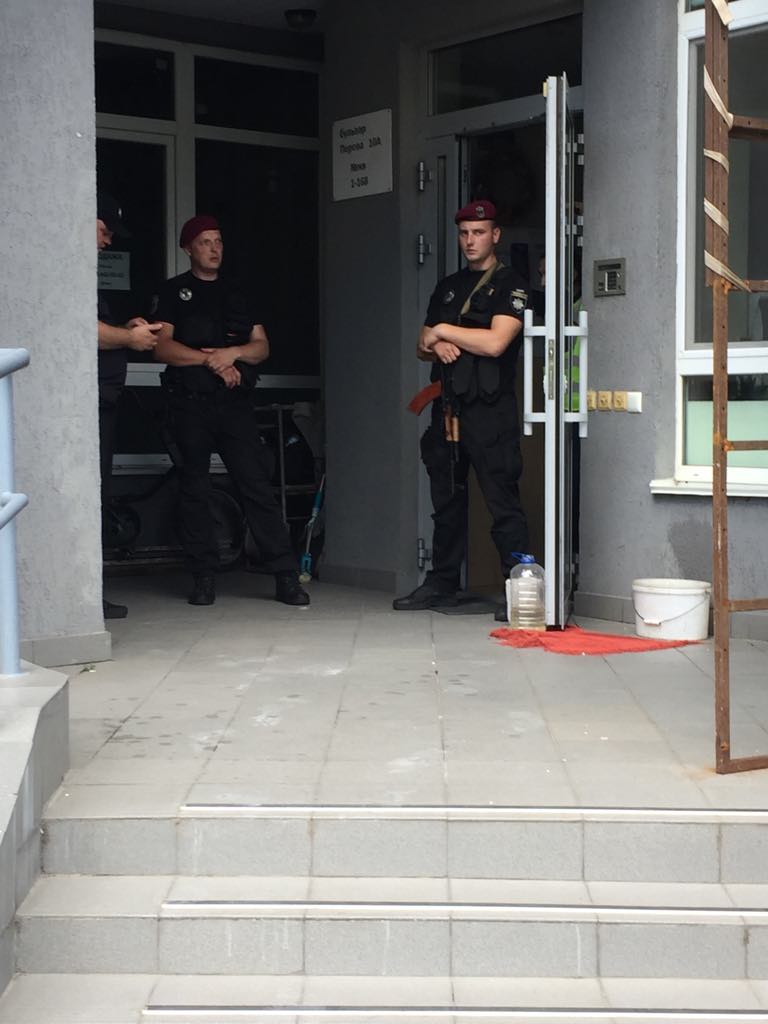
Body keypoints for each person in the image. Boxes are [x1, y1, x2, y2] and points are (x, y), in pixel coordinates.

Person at [152, 215, 309, 608]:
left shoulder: (239, 291)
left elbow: (261, 346)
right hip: (190, 404)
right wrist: (213, 362)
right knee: (194, 489)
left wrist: (232, 353)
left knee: (256, 486)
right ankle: (203, 576)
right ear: (188, 248)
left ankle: (285, 576)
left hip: (234, 406)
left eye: (218, 241)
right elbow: (162, 348)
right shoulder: (173, 291)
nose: (214, 248)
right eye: (205, 242)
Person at [394, 199, 529, 620]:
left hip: (490, 412)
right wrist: (436, 342)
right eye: (464, 233)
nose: (470, 240)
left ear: (495, 235)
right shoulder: (448, 287)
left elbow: (496, 342)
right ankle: (442, 583)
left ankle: (518, 589)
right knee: (447, 504)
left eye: (479, 232)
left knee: (502, 503)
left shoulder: (510, 284)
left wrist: (444, 332)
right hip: (449, 410)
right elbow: (422, 345)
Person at [97, 193, 162, 619]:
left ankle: (91, 593)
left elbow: (98, 329)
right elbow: (81, 330)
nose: (107, 242)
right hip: (88, 407)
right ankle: (86, 597)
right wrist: (129, 338)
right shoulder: (67, 269)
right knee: (90, 498)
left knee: (97, 496)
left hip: (104, 402)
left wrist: (124, 328)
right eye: (104, 231)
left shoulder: (83, 271)